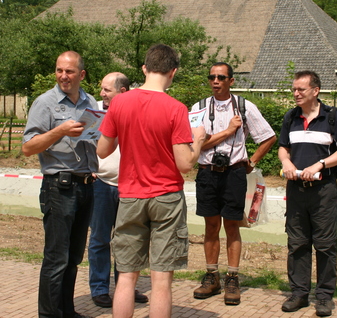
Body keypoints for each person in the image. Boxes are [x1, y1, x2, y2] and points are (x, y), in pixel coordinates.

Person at [97, 44, 206, 318]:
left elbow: (102, 150)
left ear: (144, 69)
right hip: (166, 197)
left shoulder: (119, 102)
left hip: (130, 196)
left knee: (126, 276)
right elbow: (185, 164)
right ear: (173, 72)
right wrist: (200, 141)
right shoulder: (176, 108)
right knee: (161, 280)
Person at [190, 62, 276, 306]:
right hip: (207, 172)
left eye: (221, 77)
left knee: (232, 226)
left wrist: (253, 160)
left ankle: (232, 278)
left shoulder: (245, 107)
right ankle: (211, 276)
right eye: (212, 77)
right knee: (210, 226)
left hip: (234, 173)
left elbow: (268, 136)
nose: (215, 81)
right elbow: (194, 146)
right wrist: (228, 131)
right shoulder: (198, 109)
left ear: (231, 80)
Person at [22, 51, 98, 318]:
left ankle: (67, 311)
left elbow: (96, 143)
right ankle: (50, 314)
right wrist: (59, 131)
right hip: (59, 187)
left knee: (74, 258)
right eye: (59, 71)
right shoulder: (45, 103)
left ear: (82, 74)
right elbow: (28, 148)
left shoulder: (91, 102)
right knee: (56, 258)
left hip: (87, 185)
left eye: (69, 71)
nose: (63, 76)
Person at [278, 70, 337, 316]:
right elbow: (282, 148)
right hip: (296, 190)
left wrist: (320, 164)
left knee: (325, 244)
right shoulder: (291, 117)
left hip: (323, 191)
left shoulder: (332, 117)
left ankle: (324, 297)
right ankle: (299, 294)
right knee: (297, 243)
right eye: (294, 89)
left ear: (315, 91)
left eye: (301, 89)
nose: (296, 93)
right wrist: (287, 163)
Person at [87, 72, 148, 308]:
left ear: (122, 92)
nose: (101, 94)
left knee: (129, 240)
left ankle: (126, 288)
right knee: (100, 239)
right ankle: (100, 289)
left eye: (106, 90)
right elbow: (86, 143)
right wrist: (89, 167)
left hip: (129, 186)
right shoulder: (95, 114)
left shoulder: (138, 113)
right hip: (101, 185)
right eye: (101, 90)